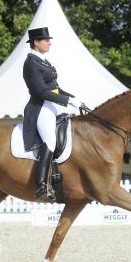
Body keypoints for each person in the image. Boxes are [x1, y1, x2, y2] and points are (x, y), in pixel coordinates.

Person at [22, 27, 81, 200]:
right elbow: (40, 91)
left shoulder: (45, 62)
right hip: (40, 107)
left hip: (52, 106)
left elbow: (55, 88)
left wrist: (73, 97)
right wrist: (67, 101)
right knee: (50, 140)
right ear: (36, 43)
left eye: (49, 40)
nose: (49, 42)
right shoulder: (31, 63)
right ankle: (41, 185)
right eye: (46, 40)